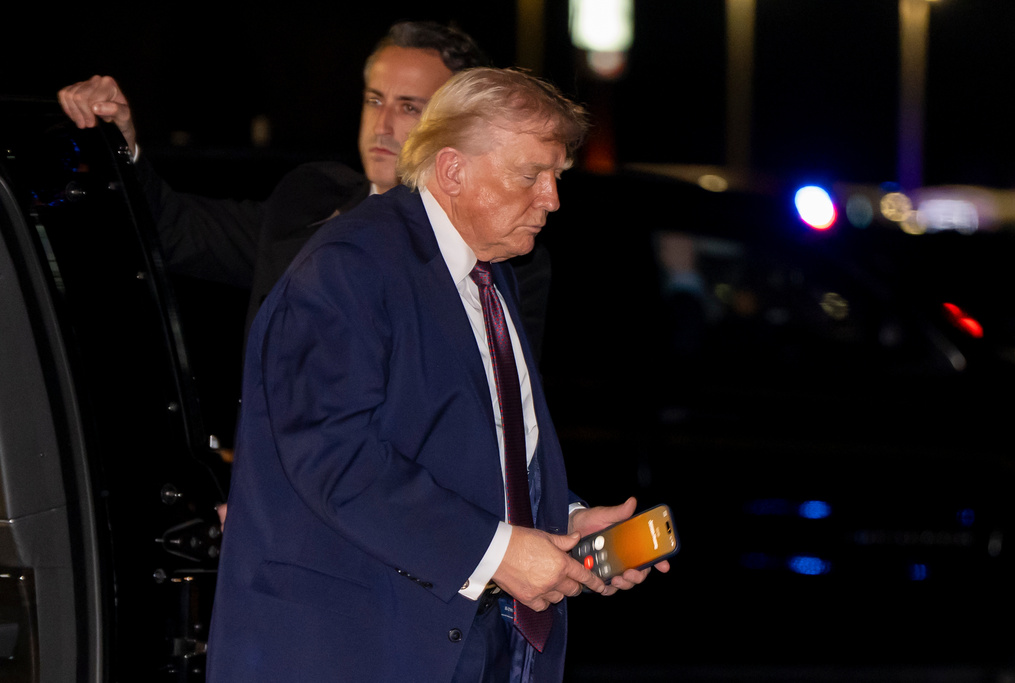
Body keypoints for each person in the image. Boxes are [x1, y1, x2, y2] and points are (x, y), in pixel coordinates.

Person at [205, 67, 669, 683]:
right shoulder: (351, 265)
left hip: (456, 637)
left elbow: (460, 444)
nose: (552, 199)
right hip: (354, 646)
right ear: (452, 171)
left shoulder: (488, 270)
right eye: (531, 175)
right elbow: (333, 455)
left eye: (556, 176)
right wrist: (498, 552)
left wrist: (561, 520)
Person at [56, 21, 552, 358]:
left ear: (459, 130)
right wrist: (119, 143)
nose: (382, 125)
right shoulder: (310, 202)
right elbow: (174, 230)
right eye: (374, 100)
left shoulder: (502, 251)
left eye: (409, 107)